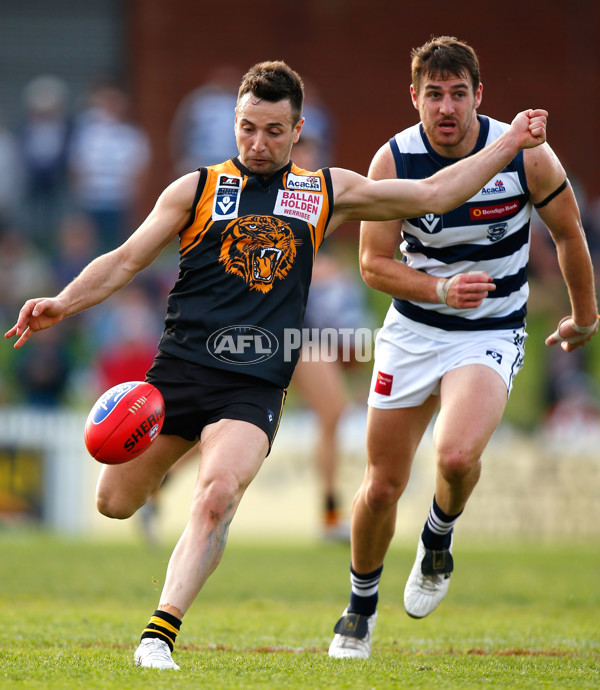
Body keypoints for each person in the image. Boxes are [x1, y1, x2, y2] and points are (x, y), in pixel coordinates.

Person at [5, 60, 547, 671]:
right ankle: (166, 517)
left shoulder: (324, 192)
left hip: (254, 386)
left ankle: (159, 635)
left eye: (271, 131)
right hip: (176, 377)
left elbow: (435, 193)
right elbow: (125, 259)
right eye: (246, 129)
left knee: (217, 496)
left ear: (297, 130)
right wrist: (62, 302)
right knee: (114, 501)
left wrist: (509, 142)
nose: (257, 144)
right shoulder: (196, 189)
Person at [327, 36, 598, 660]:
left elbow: (568, 232)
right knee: (381, 486)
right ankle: (359, 610)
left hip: (490, 330)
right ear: (415, 99)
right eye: (433, 95)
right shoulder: (393, 160)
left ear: (480, 95)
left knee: (453, 457)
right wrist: (439, 289)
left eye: (457, 94)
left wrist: (584, 316)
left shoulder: (527, 155)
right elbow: (371, 264)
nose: (445, 108)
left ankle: (438, 537)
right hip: (414, 330)